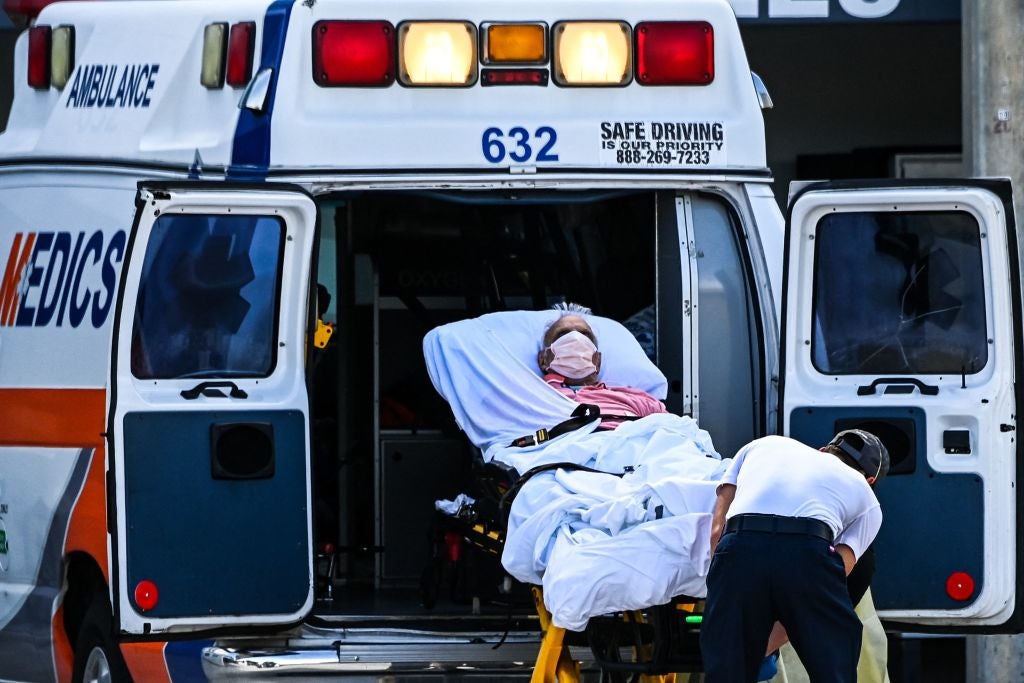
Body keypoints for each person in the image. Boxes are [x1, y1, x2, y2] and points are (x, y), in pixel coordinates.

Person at [700, 429, 888, 683]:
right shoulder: (869, 503)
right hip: (809, 552)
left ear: (823, 449)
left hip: (739, 545)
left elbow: (716, 532)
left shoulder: (763, 445)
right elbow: (838, 569)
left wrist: (728, 596)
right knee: (836, 664)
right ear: (869, 481)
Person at [536, 310, 667, 429]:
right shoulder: (531, 397)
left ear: (597, 361)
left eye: (585, 335)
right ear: (543, 359)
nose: (576, 339)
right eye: (563, 334)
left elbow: (675, 429)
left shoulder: (635, 399)